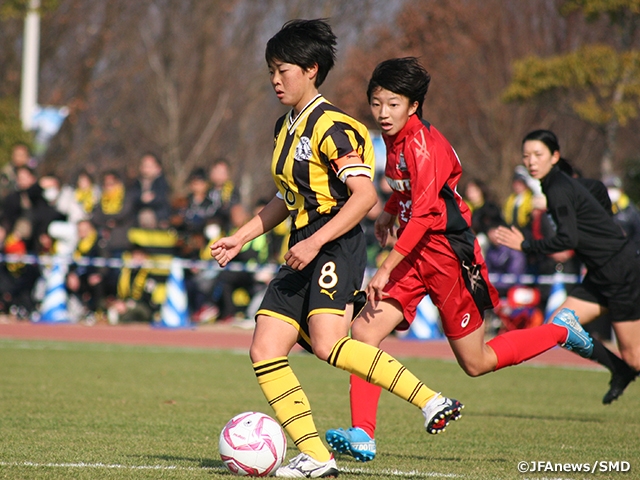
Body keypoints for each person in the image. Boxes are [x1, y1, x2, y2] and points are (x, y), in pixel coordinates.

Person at [211, 22, 461, 479]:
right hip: (302, 246)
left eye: (283, 70)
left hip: (334, 244)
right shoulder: (283, 126)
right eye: (271, 70)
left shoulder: (335, 126)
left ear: (311, 70)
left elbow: (364, 196)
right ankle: (316, 457)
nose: (275, 79)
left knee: (329, 344)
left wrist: (315, 241)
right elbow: (285, 199)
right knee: (264, 348)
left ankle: (431, 400)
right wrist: (241, 236)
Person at [324, 58, 593, 463]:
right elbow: (408, 192)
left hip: (451, 257)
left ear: (413, 106)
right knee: (363, 334)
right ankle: (363, 434)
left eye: (393, 104)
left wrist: (383, 266)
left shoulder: (423, 145)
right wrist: (387, 211)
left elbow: (428, 212)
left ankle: (559, 331)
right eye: (377, 103)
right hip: (414, 254)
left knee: (476, 362)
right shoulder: (394, 142)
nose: (382, 113)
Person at [495, 129, 640, 404]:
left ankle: (625, 368)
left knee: (635, 358)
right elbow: (596, 188)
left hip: (620, 272)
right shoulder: (558, 184)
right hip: (601, 274)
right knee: (560, 324)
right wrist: (601, 220)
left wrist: (526, 246)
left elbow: (567, 239)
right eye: (527, 156)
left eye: (538, 155)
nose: (531, 161)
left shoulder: (558, 188)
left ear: (555, 156)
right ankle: (618, 370)